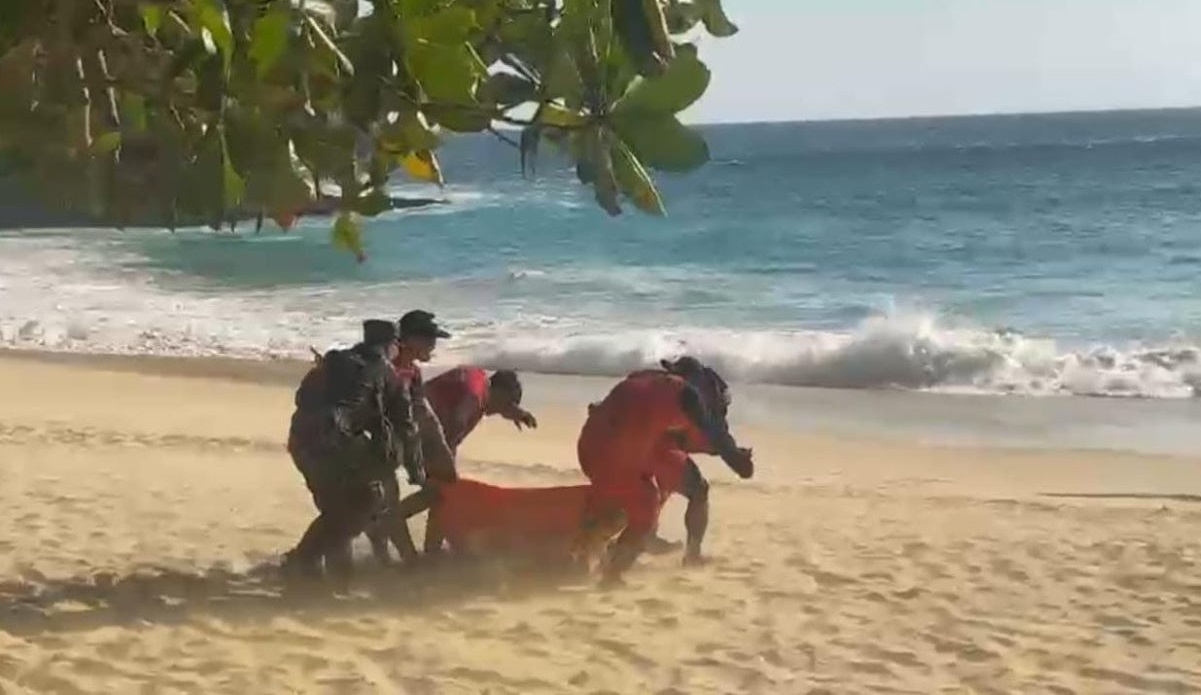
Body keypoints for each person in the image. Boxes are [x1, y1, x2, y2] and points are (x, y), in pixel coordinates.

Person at [573, 357, 753, 587]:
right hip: (620, 453)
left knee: (635, 495)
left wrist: (729, 450)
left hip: (591, 447)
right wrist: (738, 460)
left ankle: (591, 552)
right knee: (647, 505)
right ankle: (612, 574)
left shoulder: (644, 379)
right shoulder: (688, 396)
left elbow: (687, 439)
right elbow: (713, 434)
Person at [283, 319, 422, 592]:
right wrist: (416, 471)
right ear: (392, 346)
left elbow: (302, 398)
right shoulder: (387, 373)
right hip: (334, 440)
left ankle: (327, 574)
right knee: (365, 502)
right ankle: (303, 561)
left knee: (336, 508)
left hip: (300, 438)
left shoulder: (335, 362)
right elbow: (407, 427)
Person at [363, 310, 456, 566]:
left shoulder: (412, 372)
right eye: (430, 340)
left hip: (401, 438)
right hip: (374, 441)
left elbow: (422, 412)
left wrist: (439, 456)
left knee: (440, 488)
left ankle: (382, 530)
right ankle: (405, 558)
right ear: (412, 339)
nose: (434, 346)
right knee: (388, 497)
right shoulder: (383, 367)